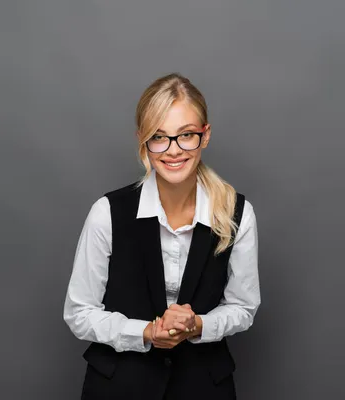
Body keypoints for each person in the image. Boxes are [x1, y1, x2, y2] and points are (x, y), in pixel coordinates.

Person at [63, 73, 261, 399]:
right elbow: (79, 312)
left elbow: (243, 307)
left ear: (205, 135)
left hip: (203, 388)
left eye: (186, 135)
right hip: (118, 388)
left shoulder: (238, 213)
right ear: (142, 139)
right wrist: (144, 332)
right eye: (159, 137)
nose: (173, 151)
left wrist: (199, 325)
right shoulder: (107, 212)